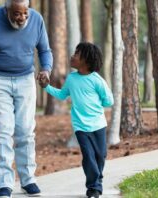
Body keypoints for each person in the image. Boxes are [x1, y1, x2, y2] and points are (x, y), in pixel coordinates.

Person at [0, 0, 53, 197]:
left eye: (25, 13)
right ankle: (5, 183)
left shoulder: (37, 20)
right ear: (6, 10)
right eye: (16, 14)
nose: (21, 18)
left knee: (25, 130)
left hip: (25, 79)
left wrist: (46, 70)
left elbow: (45, 50)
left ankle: (28, 178)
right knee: (4, 131)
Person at [39, 42, 114, 198]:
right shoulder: (72, 79)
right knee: (88, 156)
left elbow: (109, 101)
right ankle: (93, 188)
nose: (72, 56)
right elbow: (62, 95)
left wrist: (95, 104)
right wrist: (46, 86)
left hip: (98, 124)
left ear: (86, 60)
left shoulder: (97, 80)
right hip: (80, 126)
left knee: (101, 155)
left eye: (77, 54)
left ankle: (96, 180)